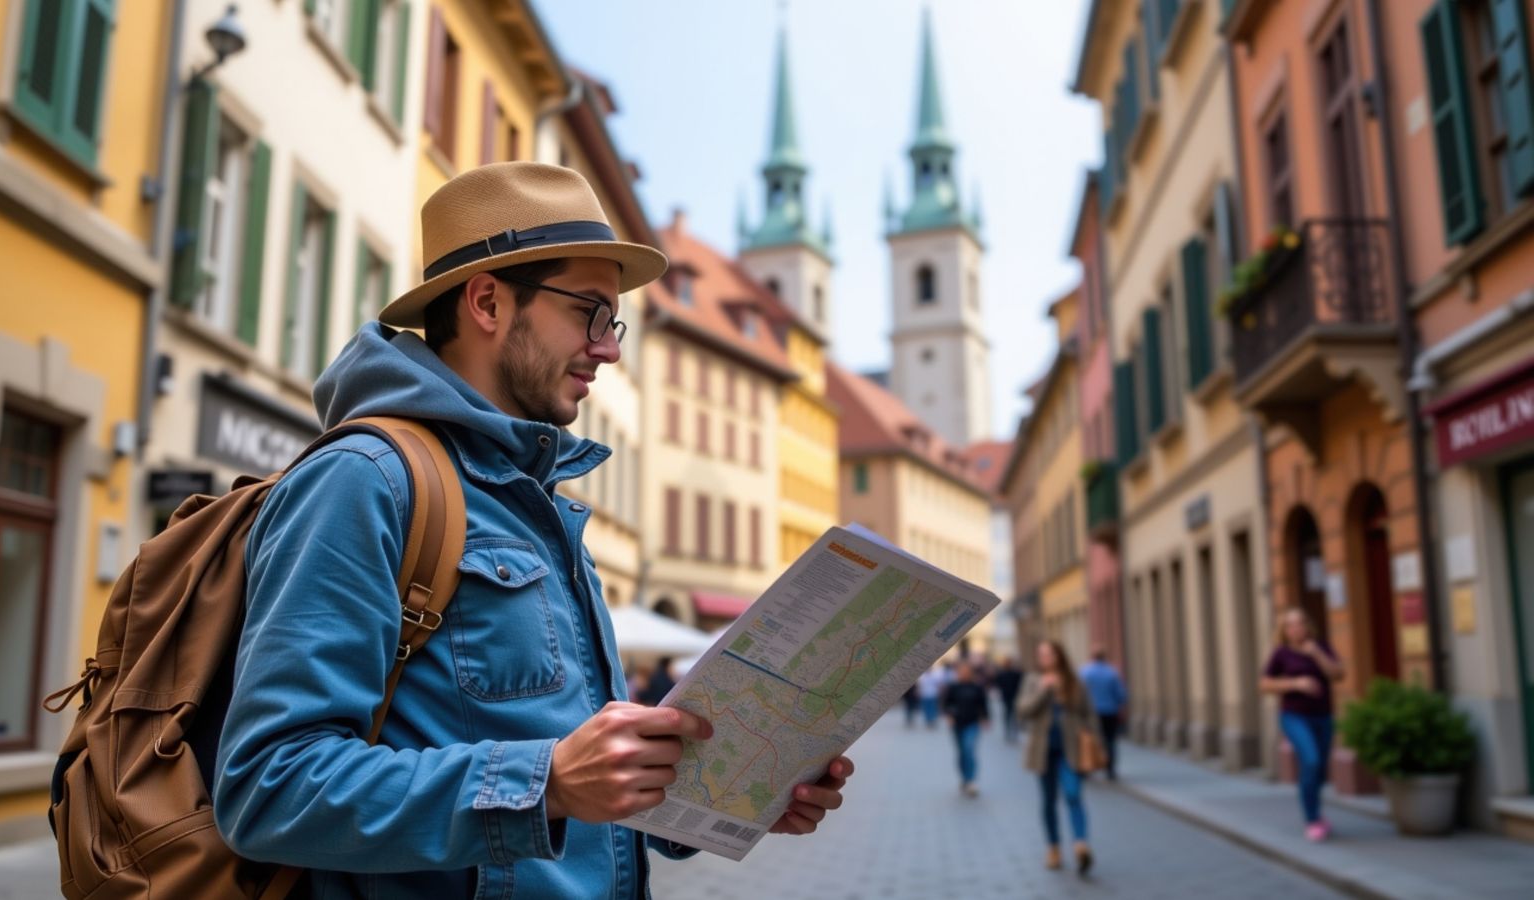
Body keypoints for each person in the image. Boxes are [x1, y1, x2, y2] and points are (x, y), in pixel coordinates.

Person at [213, 163, 854, 898]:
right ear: (488, 302)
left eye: (613, 323)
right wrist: (546, 782)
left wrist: (732, 791)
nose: (609, 349)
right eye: (590, 313)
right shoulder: (362, 480)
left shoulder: (537, 502)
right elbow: (268, 787)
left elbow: (580, 776)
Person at [1260, 607, 1345, 842]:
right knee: (1311, 759)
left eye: (1300, 623)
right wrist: (1296, 684)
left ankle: (1316, 811)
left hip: (1323, 716)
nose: (1296, 628)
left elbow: (1338, 675)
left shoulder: (1321, 647)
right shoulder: (1281, 653)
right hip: (1294, 716)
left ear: (1307, 625)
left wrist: (1317, 654)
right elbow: (1264, 684)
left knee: (1319, 770)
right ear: (1284, 630)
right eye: (1290, 625)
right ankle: (1312, 819)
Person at [1018, 640, 1102, 875]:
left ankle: (1081, 845)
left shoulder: (1074, 680)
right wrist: (1044, 690)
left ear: (1059, 656)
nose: (1045, 658)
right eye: (1041, 654)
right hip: (1043, 751)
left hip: (1071, 749)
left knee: (1073, 794)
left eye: (1049, 654)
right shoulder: (1032, 680)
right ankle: (1053, 848)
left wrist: (1097, 743)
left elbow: (1089, 713)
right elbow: (1022, 710)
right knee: (1049, 801)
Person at [942, 662, 991, 796]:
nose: (964, 673)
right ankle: (964, 778)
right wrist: (949, 715)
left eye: (967, 671)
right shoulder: (953, 687)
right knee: (962, 753)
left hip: (972, 723)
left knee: (969, 749)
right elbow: (946, 704)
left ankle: (971, 780)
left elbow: (983, 704)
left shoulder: (977, 687)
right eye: (962, 671)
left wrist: (986, 718)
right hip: (957, 724)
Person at [1078, 647, 1127, 779]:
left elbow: (1078, 694)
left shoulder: (1084, 672)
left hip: (1089, 713)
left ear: (1092, 657)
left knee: (1089, 739)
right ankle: (1110, 770)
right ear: (1104, 657)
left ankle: (1087, 767)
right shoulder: (1111, 673)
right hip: (1109, 712)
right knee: (1110, 741)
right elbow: (1121, 695)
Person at [993, 655, 1024, 743]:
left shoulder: (1015, 674)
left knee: (1012, 715)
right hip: (1007, 697)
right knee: (1009, 715)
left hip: (1013, 697)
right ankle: (1009, 733)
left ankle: (1012, 733)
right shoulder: (1002, 674)